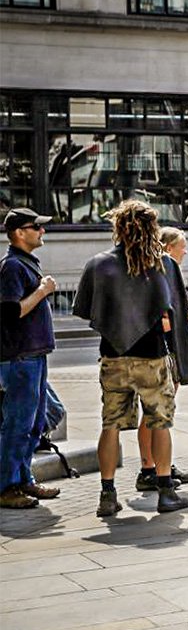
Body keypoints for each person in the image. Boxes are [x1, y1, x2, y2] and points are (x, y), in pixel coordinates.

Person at [73, 200, 188, 516]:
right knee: (161, 422)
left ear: (118, 227)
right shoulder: (163, 265)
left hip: (112, 356)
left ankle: (107, 494)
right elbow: (174, 316)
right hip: (152, 357)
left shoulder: (100, 265)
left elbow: (86, 309)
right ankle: (165, 490)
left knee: (110, 424)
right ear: (152, 229)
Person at [0, 207, 60, 510]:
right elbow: (11, 312)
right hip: (19, 358)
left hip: (33, 356)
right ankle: (6, 487)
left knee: (35, 424)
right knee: (18, 424)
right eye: (35, 227)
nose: (42, 231)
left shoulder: (24, 263)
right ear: (19, 233)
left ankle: (23, 479)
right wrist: (42, 290)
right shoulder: (11, 267)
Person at [135, 227, 188, 492]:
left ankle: (159, 464)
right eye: (181, 246)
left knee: (156, 412)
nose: (185, 251)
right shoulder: (161, 270)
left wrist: (185, 318)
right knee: (153, 413)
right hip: (158, 353)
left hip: (162, 351)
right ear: (167, 247)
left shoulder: (160, 270)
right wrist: (183, 319)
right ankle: (149, 468)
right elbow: (158, 321)